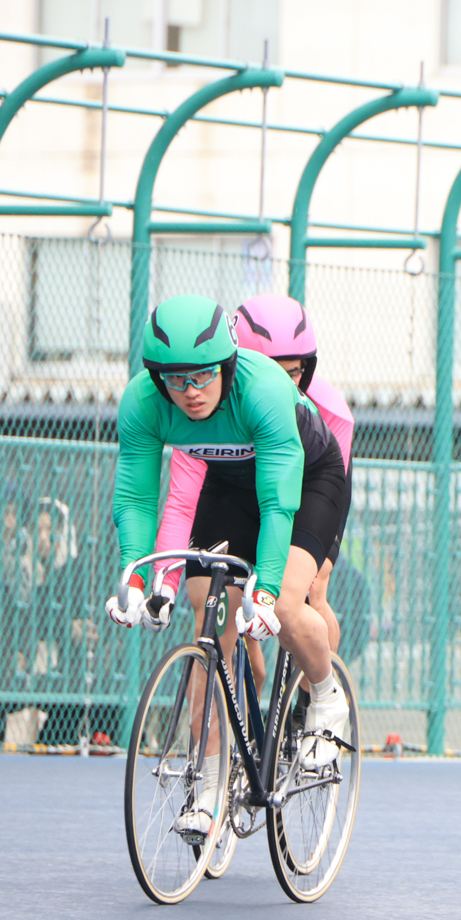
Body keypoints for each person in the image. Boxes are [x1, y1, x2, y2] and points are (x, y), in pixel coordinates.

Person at [108, 294, 351, 838]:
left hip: (306, 482)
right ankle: (209, 784)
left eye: (201, 377)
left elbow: (278, 503)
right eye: (175, 380)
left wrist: (264, 594)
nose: (189, 392)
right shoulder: (142, 403)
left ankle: (326, 695)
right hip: (230, 487)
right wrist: (141, 576)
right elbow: (141, 498)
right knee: (211, 623)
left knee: (286, 603)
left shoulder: (263, 389)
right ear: (156, 378)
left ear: (226, 366)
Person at [150, 294, 356, 699]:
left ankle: (312, 707)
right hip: (236, 494)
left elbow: (330, 488)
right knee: (208, 606)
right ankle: (216, 747)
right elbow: (181, 500)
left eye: (293, 372)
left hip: (305, 494)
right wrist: (166, 580)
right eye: (269, 370)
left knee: (308, 590)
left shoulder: (330, 409)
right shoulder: (206, 413)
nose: (280, 384)